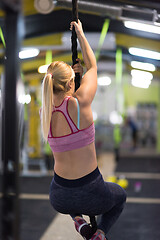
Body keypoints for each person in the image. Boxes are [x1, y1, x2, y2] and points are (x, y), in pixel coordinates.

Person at [40, 19, 126, 240]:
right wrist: (80, 33)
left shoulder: (44, 112)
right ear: (71, 85)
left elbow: (65, 102)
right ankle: (100, 233)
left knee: (67, 194)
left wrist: (75, 81)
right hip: (93, 194)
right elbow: (93, 66)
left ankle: (77, 219)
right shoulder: (81, 102)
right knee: (120, 196)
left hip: (58, 198)